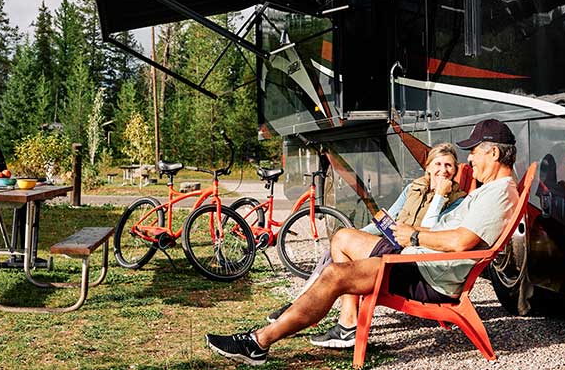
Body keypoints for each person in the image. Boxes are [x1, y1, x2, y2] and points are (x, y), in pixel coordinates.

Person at [206, 119, 519, 366]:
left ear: (493, 152)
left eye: (474, 151)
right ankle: (346, 323)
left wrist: (412, 235)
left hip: (423, 272)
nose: (470, 158)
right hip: (417, 258)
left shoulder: (498, 193)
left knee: (335, 275)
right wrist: (408, 236)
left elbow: (462, 241)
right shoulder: (491, 190)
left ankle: (258, 342)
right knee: (343, 238)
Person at [266, 142, 468, 347]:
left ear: (455, 171)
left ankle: (329, 318)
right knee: (336, 246)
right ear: (428, 167)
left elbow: (428, 232)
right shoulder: (413, 188)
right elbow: (388, 218)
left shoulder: (457, 201)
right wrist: (358, 235)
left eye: (449, 166)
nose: (443, 170)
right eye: (438, 164)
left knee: (341, 245)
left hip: (412, 256)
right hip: (394, 245)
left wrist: (440, 196)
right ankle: (306, 306)